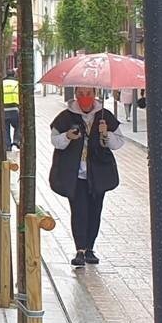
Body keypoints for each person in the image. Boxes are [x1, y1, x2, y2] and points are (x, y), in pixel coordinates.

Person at [49, 88, 124, 268]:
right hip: (75, 174)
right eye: (81, 94)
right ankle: (80, 250)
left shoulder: (105, 116)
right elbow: (55, 141)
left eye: (88, 94)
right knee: (79, 210)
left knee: (95, 211)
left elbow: (118, 143)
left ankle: (90, 247)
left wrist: (106, 133)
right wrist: (67, 136)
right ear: (76, 95)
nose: (85, 98)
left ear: (94, 94)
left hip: (98, 173)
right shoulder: (65, 117)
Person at [0, 73, 22, 151]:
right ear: (14, 75)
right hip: (15, 109)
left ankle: (7, 146)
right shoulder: (17, 84)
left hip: (4, 111)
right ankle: (16, 141)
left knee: (5, 129)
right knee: (19, 125)